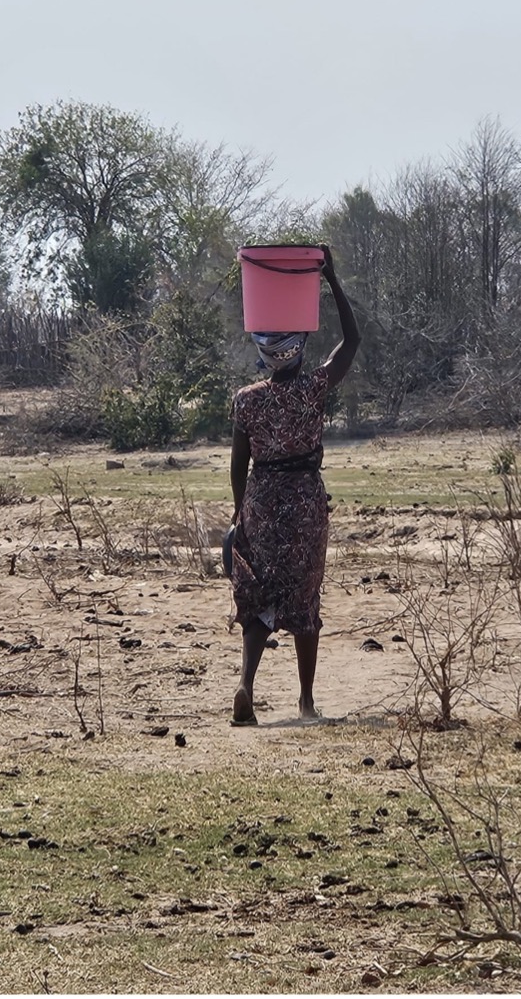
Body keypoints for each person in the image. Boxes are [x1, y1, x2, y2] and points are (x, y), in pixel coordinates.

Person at [228, 245, 360, 725]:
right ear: (299, 349)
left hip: (262, 501)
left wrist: (240, 517)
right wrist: (332, 278)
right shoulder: (313, 389)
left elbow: (238, 465)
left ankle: (246, 685)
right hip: (304, 501)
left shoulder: (246, 401)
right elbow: (352, 339)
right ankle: (305, 702)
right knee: (305, 596)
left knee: (259, 594)